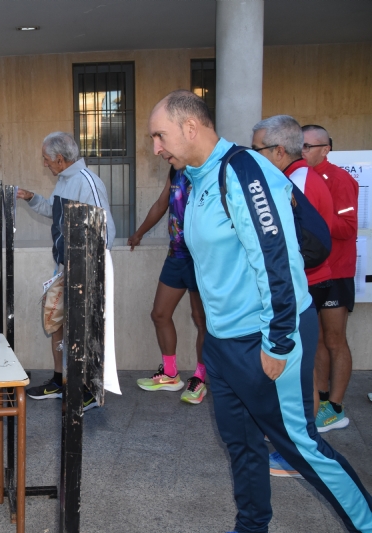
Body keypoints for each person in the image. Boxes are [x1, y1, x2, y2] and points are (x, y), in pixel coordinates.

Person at [149, 90, 372, 533]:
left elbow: (279, 262)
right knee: (242, 445)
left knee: (301, 447)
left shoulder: (245, 171)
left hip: (267, 338)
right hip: (223, 343)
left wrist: (279, 342)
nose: (155, 147)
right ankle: (251, 527)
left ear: (190, 127)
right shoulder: (195, 178)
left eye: (160, 135)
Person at [250, 115, 335, 478]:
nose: (252, 158)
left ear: (279, 150)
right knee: (304, 369)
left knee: (300, 376)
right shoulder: (299, 176)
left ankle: (301, 451)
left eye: (257, 150)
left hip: (304, 285)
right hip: (306, 283)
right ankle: (297, 443)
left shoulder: (292, 180)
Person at [17, 131, 116, 412]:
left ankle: (88, 390)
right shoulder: (64, 180)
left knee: (83, 332)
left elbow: (106, 230)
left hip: (84, 273)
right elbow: (55, 212)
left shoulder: (88, 183)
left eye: (47, 160)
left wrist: (86, 269)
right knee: (58, 325)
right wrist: (31, 198)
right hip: (64, 268)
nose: (45, 164)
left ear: (60, 159)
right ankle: (60, 381)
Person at [128, 165, 208, 404]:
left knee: (201, 319)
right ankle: (170, 374)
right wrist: (139, 232)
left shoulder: (205, 169)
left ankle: (200, 378)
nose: (161, 150)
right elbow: (162, 204)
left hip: (200, 258)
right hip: (176, 256)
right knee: (160, 314)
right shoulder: (175, 170)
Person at [302, 124, 359, 433]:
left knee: (335, 339)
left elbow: (348, 228)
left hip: (336, 272)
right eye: (301, 146)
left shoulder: (340, 179)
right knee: (318, 340)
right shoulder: (299, 178)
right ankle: (322, 399)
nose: (303, 151)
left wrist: (314, 215)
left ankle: (336, 407)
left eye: (309, 146)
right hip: (312, 273)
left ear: (326, 149)